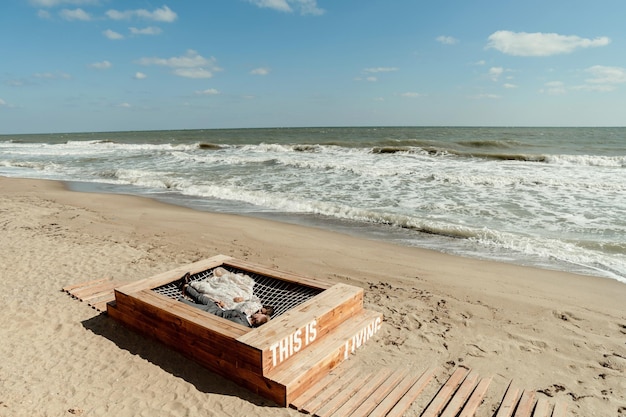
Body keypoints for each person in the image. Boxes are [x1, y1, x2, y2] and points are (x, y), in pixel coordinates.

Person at [177, 274, 270, 328]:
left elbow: (222, 322)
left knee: (185, 304)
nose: (258, 312)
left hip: (212, 314)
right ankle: (184, 285)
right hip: (218, 309)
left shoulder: (241, 324)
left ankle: (177, 300)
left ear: (256, 319)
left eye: (260, 314)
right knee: (200, 297)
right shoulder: (246, 317)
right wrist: (222, 307)